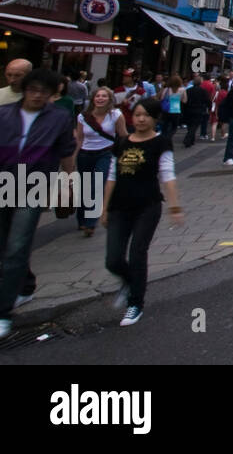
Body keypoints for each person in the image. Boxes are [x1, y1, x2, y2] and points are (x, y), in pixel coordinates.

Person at [0, 68, 77, 338]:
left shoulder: (59, 117)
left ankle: (3, 311)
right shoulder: (4, 113)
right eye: (32, 90)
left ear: (51, 93)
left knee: (17, 245)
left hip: (33, 186)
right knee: (5, 245)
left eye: (43, 92)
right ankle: (26, 285)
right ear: (24, 89)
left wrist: (71, 181)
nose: (37, 95)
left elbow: (66, 150)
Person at [101, 98, 182, 326]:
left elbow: (168, 175)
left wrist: (175, 207)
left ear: (155, 119)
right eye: (137, 115)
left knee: (138, 253)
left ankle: (135, 303)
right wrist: (104, 208)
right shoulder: (122, 143)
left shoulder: (161, 143)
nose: (141, 119)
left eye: (146, 115)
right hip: (119, 206)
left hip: (148, 206)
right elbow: (111, 177)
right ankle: (129, 282)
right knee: (113, 259)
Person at [75, 87, 128, 238]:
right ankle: (82, 218)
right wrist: (73, 158)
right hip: (85, 154)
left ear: (110, 99)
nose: (100, 98)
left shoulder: (116, 115)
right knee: (85, 187)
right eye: (97, 96)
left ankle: (90, 222)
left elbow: (123, 135)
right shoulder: (83, 116)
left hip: (106, 153)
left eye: (104, 96)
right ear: (93, 99)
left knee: (97, 185)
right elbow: (79, 138)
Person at [181, 72, 212, 147]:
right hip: (198, 110)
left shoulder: (188, 90)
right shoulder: (203, 91)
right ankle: (188, 139)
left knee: (190, 125)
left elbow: (184, 101)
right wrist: (209, 108)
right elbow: (207, 101)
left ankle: (191, 140)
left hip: (189, 110)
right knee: (194, 126)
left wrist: (183, 110)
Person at [159, 75, 184, 143]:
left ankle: (163, 138)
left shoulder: (166, 89)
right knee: (174, 126)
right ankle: (168, 137)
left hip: (166, 109)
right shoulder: (182, 90)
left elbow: (161, 98)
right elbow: (185, 100)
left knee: (165, 125)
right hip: (175, 108)